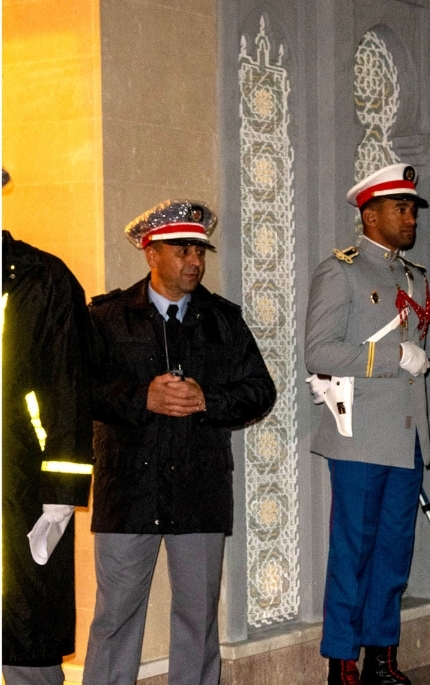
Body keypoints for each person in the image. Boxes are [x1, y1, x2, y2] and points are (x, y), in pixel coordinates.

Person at [84, 200, 276, 685]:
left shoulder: (223, 319)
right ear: (151, 253)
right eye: (182, 249)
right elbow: (78, 389)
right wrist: (140, 398)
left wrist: (206, 399)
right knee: (115, 619)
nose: (195, 260)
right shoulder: (106, 317)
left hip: (200, 489)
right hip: (127, 491)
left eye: (199, 250)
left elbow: (260, 389)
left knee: (198, 619)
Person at [306, 163, 430, 684]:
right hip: (359, 438)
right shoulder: (341, 271)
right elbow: (318, 350)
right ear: (369, 213)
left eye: (412, 210)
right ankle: (341, 661)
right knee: (353, 552)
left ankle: (382, 656)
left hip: (405, 438)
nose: (410, 218)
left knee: (393, 554)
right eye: (400, 208)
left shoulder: (415, 277)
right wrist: (391, 357)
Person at [2, 184, 95, 685]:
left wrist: (60, 499)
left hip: (19, 488)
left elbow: (69, 394)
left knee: (24, 631)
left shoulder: (44, 279)